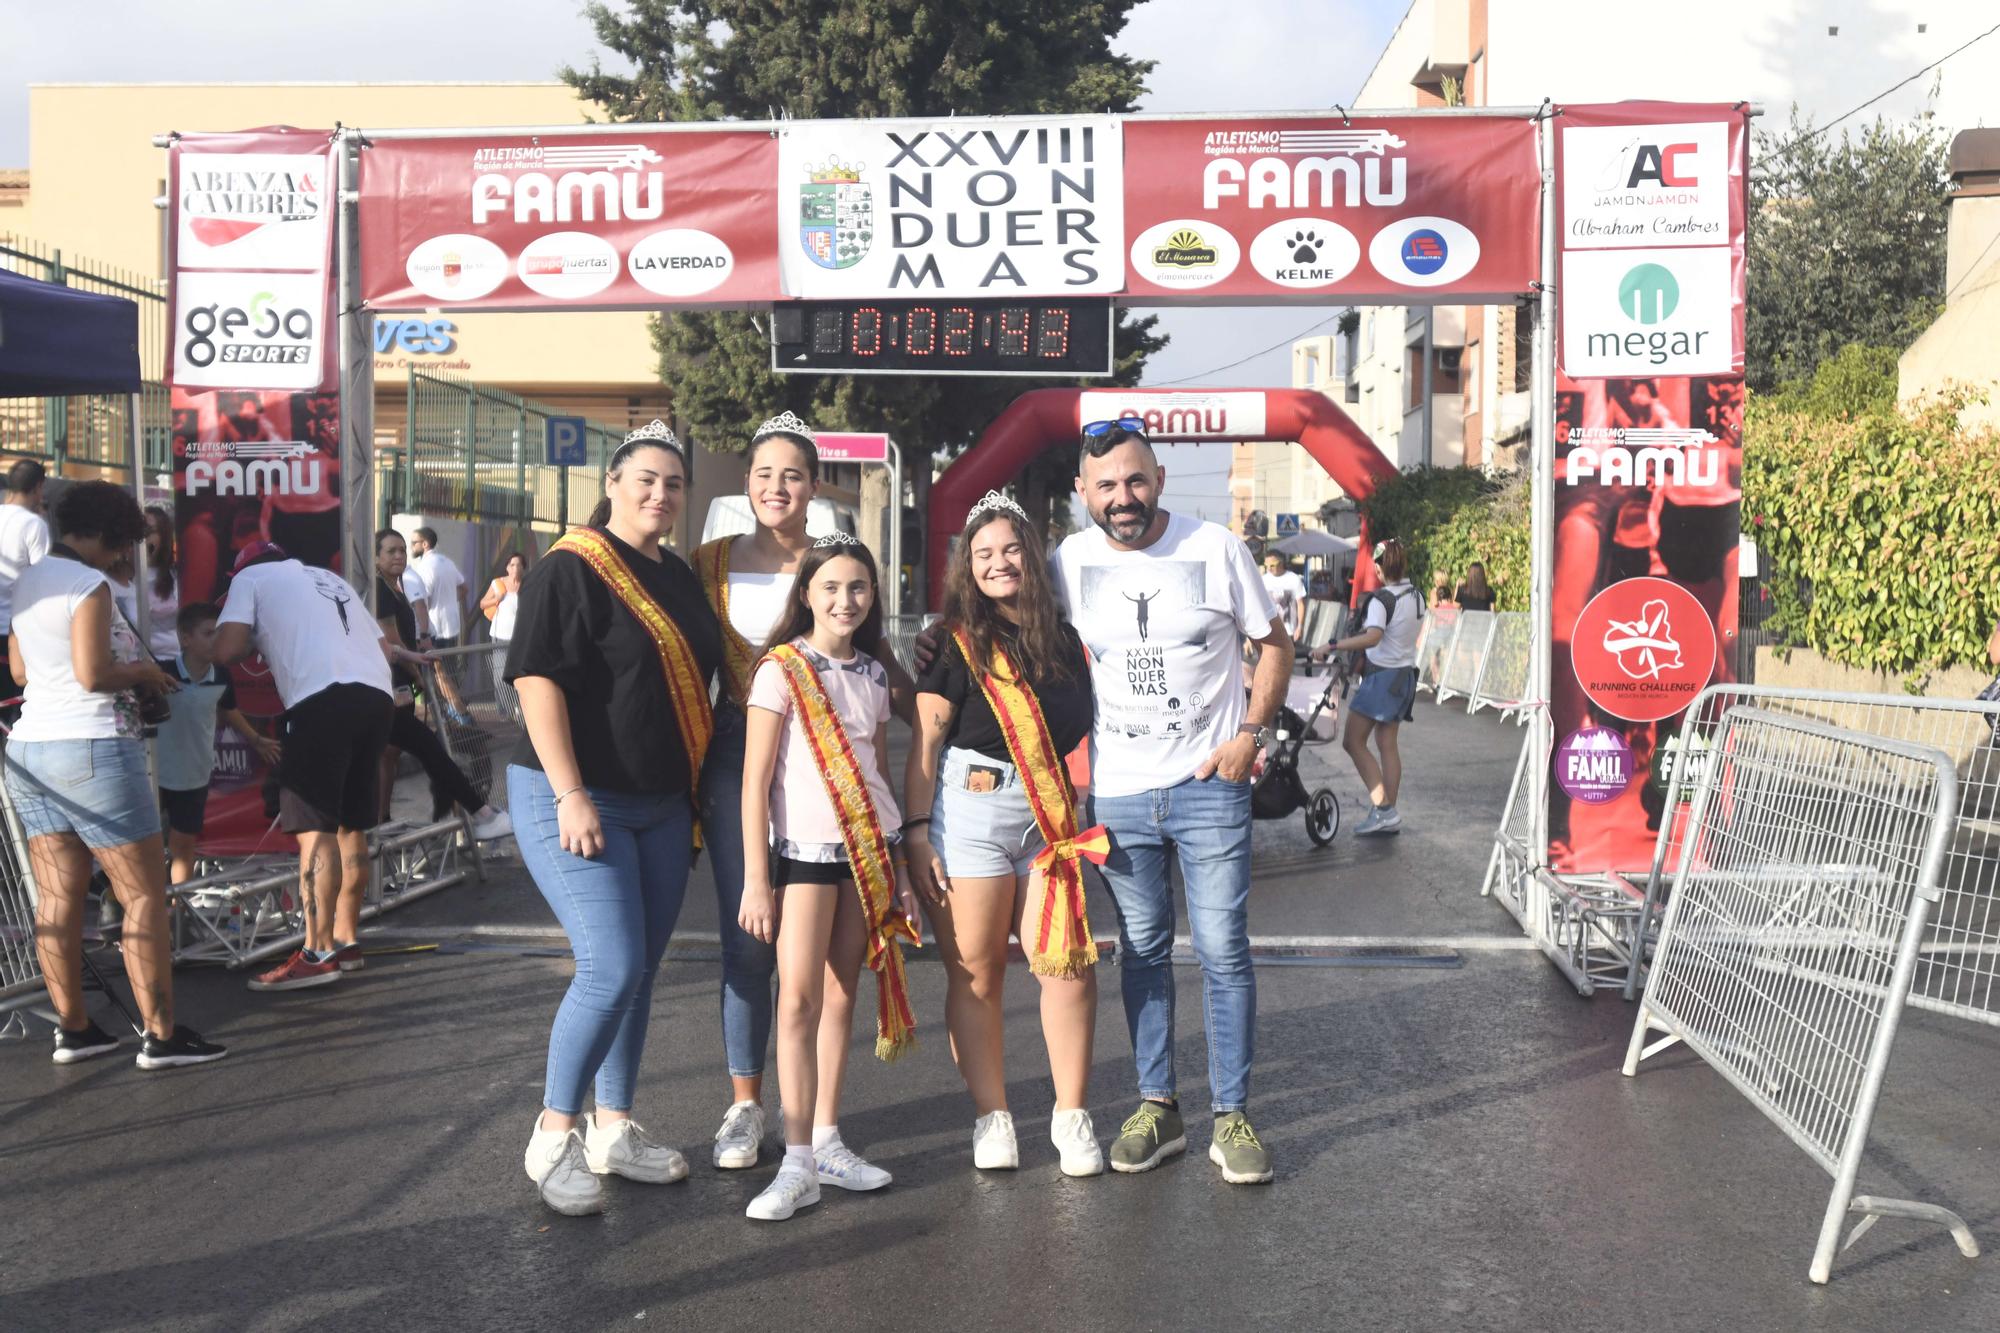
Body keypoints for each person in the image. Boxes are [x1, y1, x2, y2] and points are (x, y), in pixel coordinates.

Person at [692, 411, 920, 1173]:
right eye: (762, 473)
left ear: (813, 484)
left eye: (792, 473)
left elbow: (881, 676)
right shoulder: (711, 561)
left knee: (831, 973)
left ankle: (819, 1131)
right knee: (748, 937)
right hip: (743, 756)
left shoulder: (835, 569)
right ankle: (747, 1104)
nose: (775, 487)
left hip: (835, 790)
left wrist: (932, 682)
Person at [504, 420, 722, 1217]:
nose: (660, 494)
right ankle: (553, 1135)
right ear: (613, 485)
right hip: (574, 797)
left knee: (641, 972)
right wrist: (570, 791)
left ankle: (613, 1127)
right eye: (645, 480)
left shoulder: (681, 575)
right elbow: (536, 683)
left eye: (673, 484)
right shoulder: (572, 567)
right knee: (611, 965)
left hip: (663, 802)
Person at [905, 492, 1103, 1177]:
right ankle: (993, 1116)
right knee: (979, 969)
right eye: (983, 553)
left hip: (1050, 817)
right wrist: (917, 834)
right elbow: (924, 752)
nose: (998, 563)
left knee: (1067, 966)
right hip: (974, 815)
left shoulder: (1068, 639)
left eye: (1010, 549)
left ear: (1032, 554)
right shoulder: (951, 644)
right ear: (968, 565)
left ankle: (1071, 1115)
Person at [2, 480, 226, 1069]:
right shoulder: (88, 584)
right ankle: (161, 1036)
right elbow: (94, 674)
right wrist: (146, 673)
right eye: (120, 544)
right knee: (143, 896)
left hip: (31, 750)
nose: (121, 557)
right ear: (102, 533)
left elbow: (21, 673)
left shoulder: (27, 580)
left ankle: (74, 1031)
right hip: (94, 747)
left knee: (57, 897)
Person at [737, 532, 921, 1221]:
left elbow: (874, 774)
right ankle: (795, 1159)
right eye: (831, 587)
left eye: (859, 588)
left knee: (844, 995)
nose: (846, 599)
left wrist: (899, 866)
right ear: (807, 593)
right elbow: (754, 782)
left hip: (865, 856)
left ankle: (827, 1138)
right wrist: (758, 878)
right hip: (802, 859)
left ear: (873, 596)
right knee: (796, 1001)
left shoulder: (875, 677)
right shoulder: (781, 669)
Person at [215, 540, 398, 990]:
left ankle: (317, 952)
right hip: (377, 697)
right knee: (351, 825)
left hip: (321, 700)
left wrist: (252, 638)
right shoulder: (330, 578)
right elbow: (384, 647)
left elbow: (227, 648)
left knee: (315, 828)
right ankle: (345, 939)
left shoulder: (249, 579)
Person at [373, 529, 512, 841]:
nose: (398, 556)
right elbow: (391, 642)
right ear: (376, 558)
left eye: (401, 550)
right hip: (388, 689)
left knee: (395, 753)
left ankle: (382, 818)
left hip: (402, 689)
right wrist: (419, 672)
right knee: (430, 750)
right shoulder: (380, 592)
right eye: (390, 551)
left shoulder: (397, 590)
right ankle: (481, 813)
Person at [156, 602, 281, 886]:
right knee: (149, 846)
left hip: (195, 775)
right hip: (155, 775)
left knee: (183, 846)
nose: (216, 640)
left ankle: (178, 907)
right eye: (208, 633)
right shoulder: (161, 674)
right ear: (185, 638)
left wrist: (256, 739)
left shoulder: (222, 676)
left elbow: (228, 709)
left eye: (219, 633)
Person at [1314, 539, 1424, 836]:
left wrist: (1333, 644)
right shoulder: (1417, 595)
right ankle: (1385, 811)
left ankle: (1384, 810)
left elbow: (1373, 637)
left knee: (1353, 741)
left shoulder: (1381, 600)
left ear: (1378, 567)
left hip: (1382, 677)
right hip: (1404, 675)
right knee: (1387, 744)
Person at [409, 525, 471, 726]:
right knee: (446, 675)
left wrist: (423, 627)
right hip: (452, 626)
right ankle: (455, 715)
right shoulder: (447, 562)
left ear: (425, 544)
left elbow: (421, 601)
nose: (410, 547)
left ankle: (459, 716)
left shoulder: (426, 567)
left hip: (434, 629)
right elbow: (464, 588)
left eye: (413, 543)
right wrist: (451, 602)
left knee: (439, 676)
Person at [0, 460, 50, 705]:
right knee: (16, 707)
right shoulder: (33, 525)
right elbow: (43, 576)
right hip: (14, 632)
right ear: (38, 487)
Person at [480, 550, 529, 723]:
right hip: (500, 636)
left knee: (519, 675)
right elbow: (482, 603)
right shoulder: (497, 583)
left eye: (519, 565)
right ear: (507, 567)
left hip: (520, 638)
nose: (515, 568)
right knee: (500, 676)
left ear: (524, 568)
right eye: (512, 564)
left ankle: (517, 708)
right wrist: (496, 600)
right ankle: (504, 710)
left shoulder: (527, 585)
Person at [141, 505, 182, 660]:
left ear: (163, 536)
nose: (141, 538)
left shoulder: (176, 576)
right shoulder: (118, 579)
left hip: (174, 662)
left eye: (148, 531)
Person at [1261, 551, 1308, 641]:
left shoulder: (1293, 579)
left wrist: (1300, 626)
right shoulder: (1263, 580)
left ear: (1281, 563)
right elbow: (1257, 605)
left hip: (1289, 630)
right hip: (1268, 630)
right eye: (1266, 565)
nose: (1269, 568)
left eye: (1272, 565)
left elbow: (1300, 604)